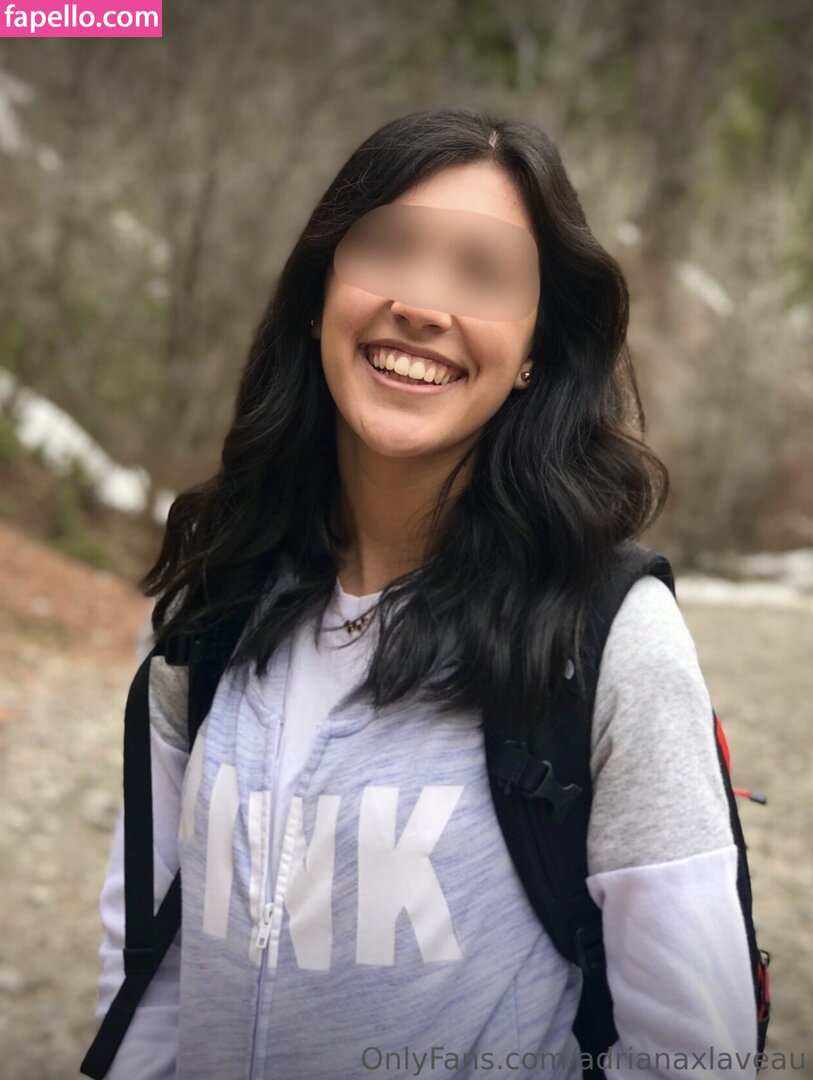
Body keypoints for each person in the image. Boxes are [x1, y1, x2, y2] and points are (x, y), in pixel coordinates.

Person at [91, 108, 757, 1079]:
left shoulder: (607, 640)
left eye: (482, 272)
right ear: (320, 295)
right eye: (388, 248)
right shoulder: (216, 606)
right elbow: (149, 973)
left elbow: (694, 1056)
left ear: (534, 351)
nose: (421, 303)